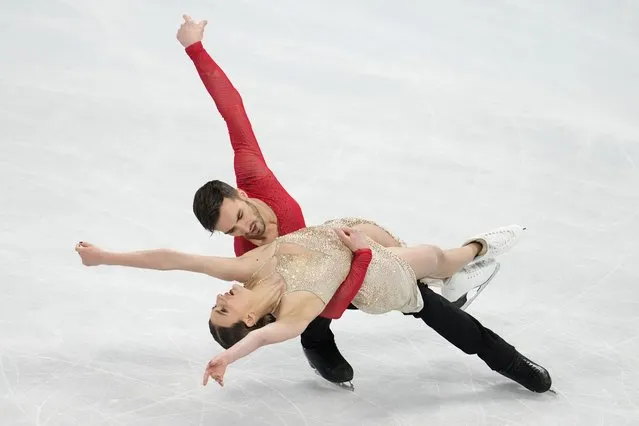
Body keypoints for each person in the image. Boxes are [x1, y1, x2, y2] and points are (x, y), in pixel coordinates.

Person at [174, 15, 498, 387]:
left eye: (241, 217)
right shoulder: (248, 255)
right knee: (322, 306)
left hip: (332, 253)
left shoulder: (253, 176)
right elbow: (273, 309)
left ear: (242, 195)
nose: (245, 229)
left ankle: (438, 283)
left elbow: (232, 110)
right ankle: (319, 340)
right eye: (231, 229)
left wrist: (194, 48)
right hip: (320, 288)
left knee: (379, 247)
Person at [74, 218, 552, 393]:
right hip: (388, 282)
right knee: (436, 267)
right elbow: (263, 338)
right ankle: (478, 251)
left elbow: (175, 259)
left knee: (429, 259)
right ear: (245, 318)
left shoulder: (247, 271)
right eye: (222, 309)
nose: (219, 296)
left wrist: (105, 258)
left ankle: (457, 272)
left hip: (354, 236)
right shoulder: (294, 311)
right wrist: (226, 357)